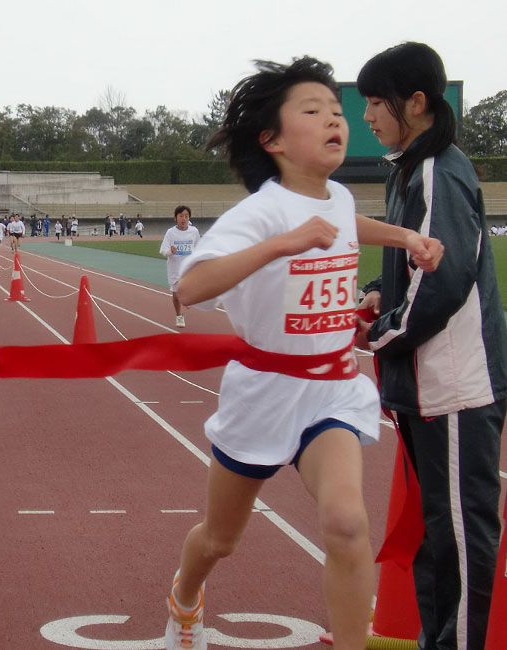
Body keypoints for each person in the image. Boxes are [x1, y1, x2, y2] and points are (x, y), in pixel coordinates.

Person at [167, 56, 442, 650]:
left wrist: (404, 236)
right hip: (264, 393)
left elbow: (348, 223)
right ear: (272, 140)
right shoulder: (259, 214)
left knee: (347, 523)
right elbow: (189, 287)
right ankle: (185, 595)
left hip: (331, 389)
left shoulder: (338, 198)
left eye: (337, 112)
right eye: (312, 111)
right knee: (220, 539)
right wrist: (283, 244)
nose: (334, 121)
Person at [356, 42, 507, 650]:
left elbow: (443, 281)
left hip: (453, 385)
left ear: (415, 103)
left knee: (461, 537)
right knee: (435, 534)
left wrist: (384, 333)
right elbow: (414, 263)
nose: (366, 116)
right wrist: (376, 290)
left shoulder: (437, 169)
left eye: (374, 102)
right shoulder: (410, 166)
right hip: (427, 386)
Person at [159, 205, 199, 328]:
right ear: (175, 218)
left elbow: (198, 248)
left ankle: (187, 298)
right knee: (176, 295)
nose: (183, 219)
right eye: (181, 216)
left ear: (189, 219)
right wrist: (170, 251)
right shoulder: (170, 233)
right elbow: (163, 250)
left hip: (188, 268)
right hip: (175, 268)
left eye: (186, 216)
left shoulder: (194, 231)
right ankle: (179, 316)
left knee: (187, 290)